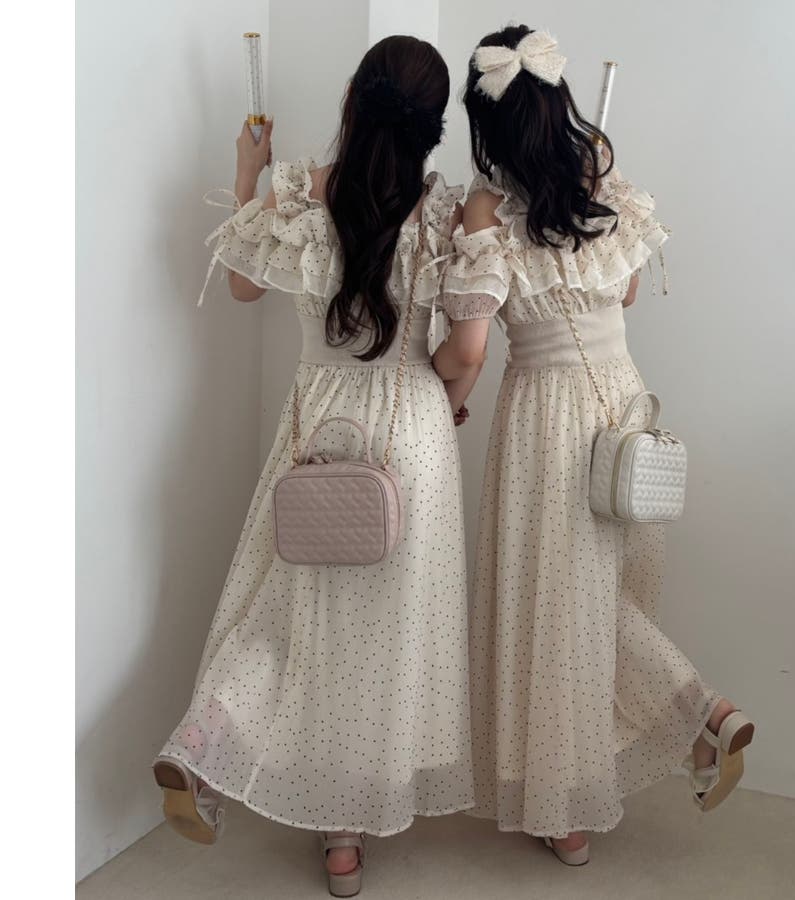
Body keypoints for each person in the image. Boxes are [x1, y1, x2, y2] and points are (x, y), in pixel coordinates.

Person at [153, 35, 474, 897]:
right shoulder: (444, 214)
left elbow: (242, 287)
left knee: (287, 617)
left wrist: (247, 173)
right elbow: (465, 347)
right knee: (382, 637)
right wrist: (450, 396)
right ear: (432, 125)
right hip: (411, 430)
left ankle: (206, 746)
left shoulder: (302, 193)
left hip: (319, 424)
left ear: (353, 100)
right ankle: (346, 833)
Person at [432, 24, 755, 866]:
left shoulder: (487, 209)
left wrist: (444, 400)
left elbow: (471, 343)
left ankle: (636, 762)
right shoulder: (599, 178)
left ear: (487, 121)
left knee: (552, 607)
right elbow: (629, 291)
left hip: (550, 413)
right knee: (592, 595)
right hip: (624, 399)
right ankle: (685, 730)